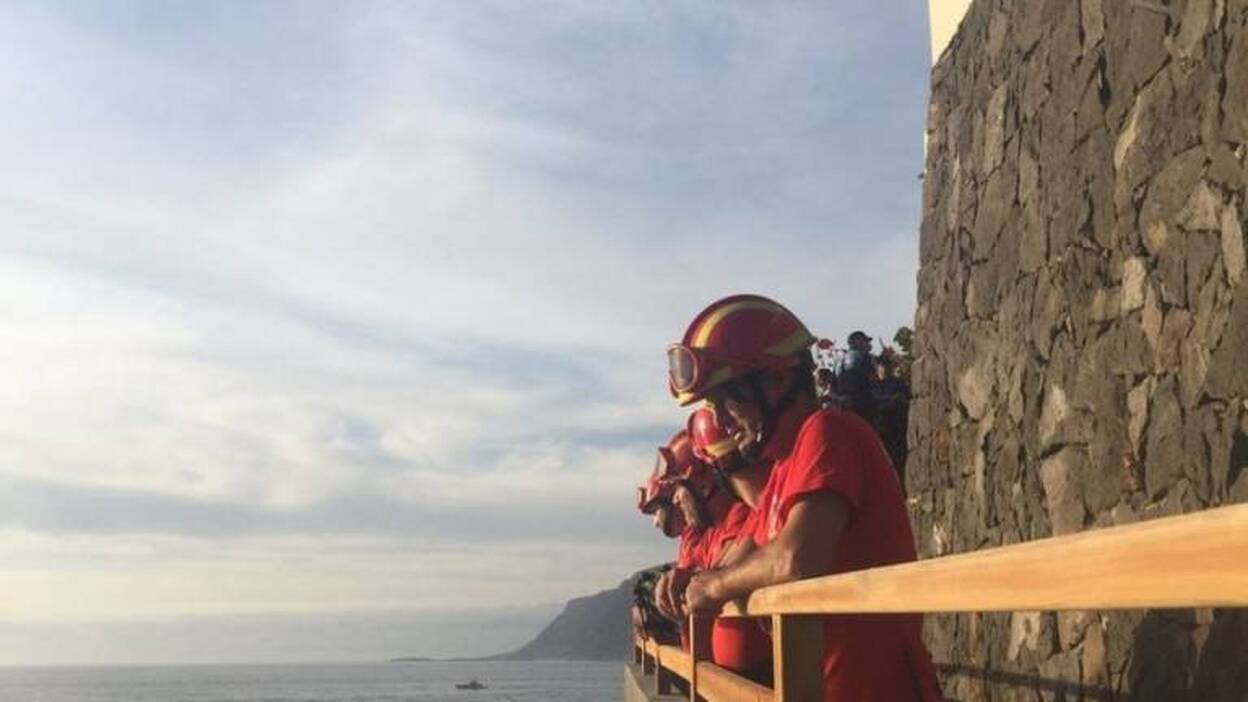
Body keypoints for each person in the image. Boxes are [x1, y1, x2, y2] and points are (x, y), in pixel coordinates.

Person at [664, 294, 941, 701]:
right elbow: (743, 555)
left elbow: (796, 558)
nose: (720, 419)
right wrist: (691, 580)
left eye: (726, 399)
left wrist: (714, 588)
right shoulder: (783, 472)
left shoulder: (829, 431)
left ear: (776, 379)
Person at [873, 347, 912, 486]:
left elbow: (909, 400)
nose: (885, 369)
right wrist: (888, 401)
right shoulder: (872, 386)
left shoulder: (898, 384)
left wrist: (899, 401)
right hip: (881, 430)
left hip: (898, 428)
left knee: (899, 463)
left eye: (887, 365)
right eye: (882, 366)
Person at [840, 330, 879, 426]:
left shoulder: (842, 359)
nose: (869, 344)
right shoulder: (861, 357)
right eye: (866, 341)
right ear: (858, 342)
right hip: (862, 402)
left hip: (850, 403)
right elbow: (856, 379)